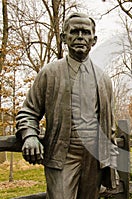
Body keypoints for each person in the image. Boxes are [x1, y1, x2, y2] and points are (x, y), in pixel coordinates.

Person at [16, 12, 118, 199]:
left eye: (86, 33)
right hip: (62, 154)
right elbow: (28, 112)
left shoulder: (103, 79)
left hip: (94, 158)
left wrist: (110, 160)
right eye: (75, 32)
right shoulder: (50, 73)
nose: (80, 37)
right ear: (64, 37)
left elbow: (109, 126)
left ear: (93, 40)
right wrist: (30, 136)